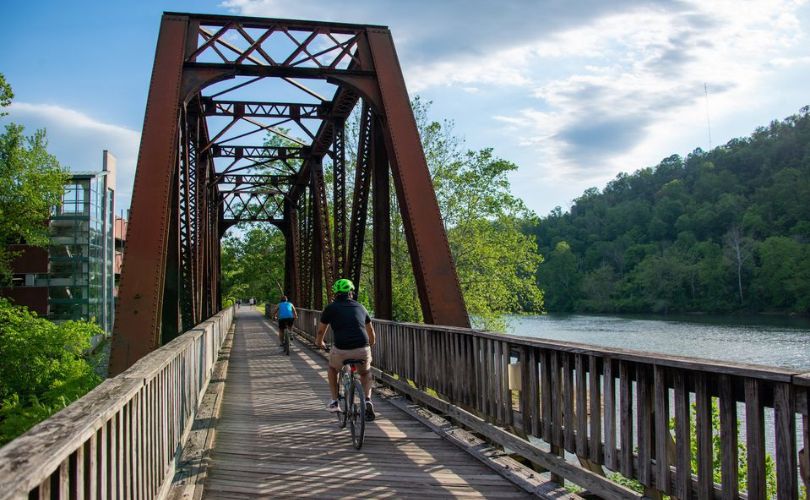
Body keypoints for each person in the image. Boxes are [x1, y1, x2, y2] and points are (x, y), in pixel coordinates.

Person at [315, 278, 377, 421]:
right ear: (351, 293)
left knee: (332, 369)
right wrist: (371, 344)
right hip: (362, 347)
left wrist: (320, 343)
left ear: (335, 293)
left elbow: (320, 332)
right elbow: (371, 331)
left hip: (341, 349)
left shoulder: (330, 308)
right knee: (366, 372)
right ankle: (367, 399)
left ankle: (335, 401)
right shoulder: (361, 307)